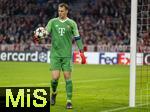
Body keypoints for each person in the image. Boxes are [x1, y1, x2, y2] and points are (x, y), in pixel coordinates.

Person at [44, 3, 86, 109]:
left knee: (68, 78)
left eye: (62, 11)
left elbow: (77, 37)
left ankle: (69, 101)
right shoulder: (52, 22)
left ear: (67, 11)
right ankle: (54, 93)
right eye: (59, 11)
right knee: (55, 78)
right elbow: (45, 32)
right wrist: (38, 36)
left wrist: (81, 51)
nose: (60, 13)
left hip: (66, 55)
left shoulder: (71, 23)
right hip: (55, 55)